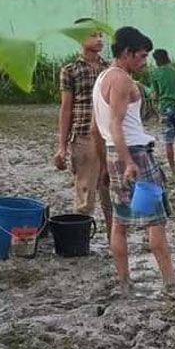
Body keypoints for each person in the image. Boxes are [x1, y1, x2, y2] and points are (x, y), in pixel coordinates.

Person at [93, 26, 175, 300]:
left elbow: (97, 127)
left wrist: (106, 164)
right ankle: (172, 284)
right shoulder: (121, 80)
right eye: (142, 56)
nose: (144, 62)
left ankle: (124, 282)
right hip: (134, 155)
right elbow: (115, 124)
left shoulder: (102, 78)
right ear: (126, 53)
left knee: (119, 222)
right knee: (154, 222)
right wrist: (129, 162)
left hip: (114, 154)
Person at [54, 18, 111, 238]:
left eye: (100, 35)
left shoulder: (109, 70)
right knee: (85, 191)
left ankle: (112, 240)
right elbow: (66, 109)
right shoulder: (70, 70)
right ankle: (80, 240)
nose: (99, 40)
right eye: (93, 35)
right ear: (80, 39)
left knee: (111, 192)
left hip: (108, 136)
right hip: (84, 136)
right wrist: (62, 146)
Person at [148, 49, 175, 175]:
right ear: (168, 58)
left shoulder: (155, 74)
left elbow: (154, 95)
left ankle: (173, 171)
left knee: (168, 142)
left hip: (165, 109)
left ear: (156, 61)